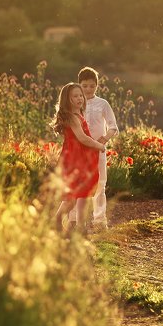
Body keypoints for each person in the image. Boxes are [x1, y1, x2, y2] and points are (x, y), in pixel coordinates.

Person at [50, 82, 106, 234]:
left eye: (81, 95)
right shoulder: (73, 118)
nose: (80, 98)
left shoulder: (78, 115)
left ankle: (79, 227)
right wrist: (99, 145)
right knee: (73, 195)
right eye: (75, 96)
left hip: (80, 158)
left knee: (79, 194)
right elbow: (83, 138)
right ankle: (58, 220)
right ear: (67, 100)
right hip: (75, 160)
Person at [69, 67, 119, 231]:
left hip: (97, 150)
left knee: (100, 184)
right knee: (77, 184)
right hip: (79, 151)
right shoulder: (74, 104)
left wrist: (104, 139)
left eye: (92, 85)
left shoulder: (102, 104)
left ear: (97, 86)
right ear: (79, 85)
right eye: (84, 86)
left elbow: (113, 127)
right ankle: (74, 220)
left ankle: (99, 220)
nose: (88, 89)